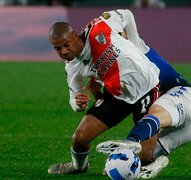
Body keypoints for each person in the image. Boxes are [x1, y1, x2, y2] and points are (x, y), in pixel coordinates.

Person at [83, 9, 191, 178]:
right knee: (144, 156)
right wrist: (97, 92)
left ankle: (129, 143)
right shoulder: (117, 66)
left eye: (119, 35)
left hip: (180, 93)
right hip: (170, 108)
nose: (117, 39)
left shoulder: (136, 46)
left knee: (156, 114)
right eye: (115, 36)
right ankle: (148, 164)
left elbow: (127, 16)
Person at [47, 19, 161, 174]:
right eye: (58, 49)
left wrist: (137, 45)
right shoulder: (72, 67)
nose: (64, 52)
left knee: (145, 156)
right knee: (79, 139)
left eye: (66, 45)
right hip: (116, 95)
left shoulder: (98, 28)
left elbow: (126, 15)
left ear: (74, 35)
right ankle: (78, 167)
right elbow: (73, 99)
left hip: (147, 88)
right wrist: (78, 103)